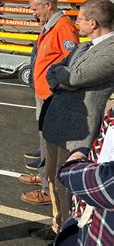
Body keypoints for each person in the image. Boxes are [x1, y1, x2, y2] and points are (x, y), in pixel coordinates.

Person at [34, 0, 114, 241]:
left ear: (93, 22)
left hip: (80, 130)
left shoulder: (110, 50)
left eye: (79, 19)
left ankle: (73, 231)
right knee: (54, 179)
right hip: (59, 125)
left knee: (73, 185)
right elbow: (53, 70)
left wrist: (67, 79)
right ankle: (57, 226)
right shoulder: (85, 46)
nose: (75, 23)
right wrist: (64, 79)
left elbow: (77, 77)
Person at [20, 0, 79, 211]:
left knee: (51, 144)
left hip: (52, 95)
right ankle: (44, 177)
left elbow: (71, 63)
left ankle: (47, 189)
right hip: (44, 92)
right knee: (45, 139)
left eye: (35, 9)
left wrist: (56, 86)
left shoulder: (63, 27)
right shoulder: (50, 26)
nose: (33, 14)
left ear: (48, 5)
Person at [54, 105, 113, 246]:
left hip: (103, 229)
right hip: (89, 217)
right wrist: (87, 154)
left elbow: (107, 185)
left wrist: (70, 168)